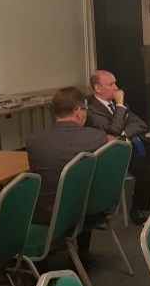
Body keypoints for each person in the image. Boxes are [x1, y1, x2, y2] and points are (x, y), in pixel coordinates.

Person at [25, 87, 108, 268]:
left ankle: (36, 261)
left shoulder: (33, 141)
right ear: (78, 111)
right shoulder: (97, 137)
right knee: (83, 186)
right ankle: (82, 252)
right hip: (85, 211)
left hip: (47, 214)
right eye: (86, 110)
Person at [85, 70, 150, 225]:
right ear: (97, 88)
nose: (116, 88)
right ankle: (137, 208)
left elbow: (140, 123)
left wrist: (123, 134)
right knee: (148, 171)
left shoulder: (120, 103)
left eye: (115, 83)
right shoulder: (91, 110)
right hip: (117, 151)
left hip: (134, 142)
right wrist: (119, 105)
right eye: (111, 84)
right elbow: (115, 128)